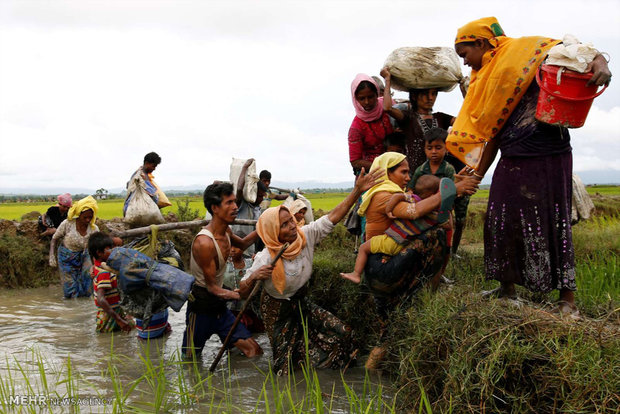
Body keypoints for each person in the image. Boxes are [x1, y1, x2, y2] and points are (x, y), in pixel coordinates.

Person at [449, 17, 611, 314]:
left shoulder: (528, 52)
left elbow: (578, 49)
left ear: (481, 43)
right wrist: (477, 172)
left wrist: (600, 64)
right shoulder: (487, 78)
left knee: (554, 221)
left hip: (549, 154)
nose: (466, 63)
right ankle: (507, 287)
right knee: (500, 220)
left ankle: (567, 300)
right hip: (513, 156)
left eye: (465, 54)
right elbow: (494, 133)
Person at [238, 167, 383, 375]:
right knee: (283, 369)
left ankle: (323, 374)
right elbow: (242, 291)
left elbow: (333, 217)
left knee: (343, 333)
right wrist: (254, 276)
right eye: (285, 224)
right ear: (273, 231)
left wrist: (357, 192)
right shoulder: (266, 257)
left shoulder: (306, 236)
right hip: (275, 310)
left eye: (291, 221)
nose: (292, 226)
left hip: (300, 300)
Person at [356, 152, 477, 368]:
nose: (407, 176)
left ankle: (368, 377)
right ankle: (425, 291)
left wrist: (449, 189)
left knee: (387, 332)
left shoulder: (395, 193)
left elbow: (430, 203)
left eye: (408, 172)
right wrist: (450, 191)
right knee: (434, 236)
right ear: (386, 172)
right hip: (383, 268)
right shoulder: (384, 195)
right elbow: (415, 211)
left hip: (380, 268)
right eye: (403, 171)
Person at [182, 182, 263, 360]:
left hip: (220, 307)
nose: (235, 207)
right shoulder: (205, 243)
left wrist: (263, 226)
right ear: (215, 208)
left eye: (235, 202)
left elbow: (242, 244)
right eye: (229, 203)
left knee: (254, 351)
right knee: (190, 360)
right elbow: (212, 288)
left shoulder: (226, 231)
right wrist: (240, 295)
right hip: (201, 308)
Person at [341, 174, 453, 283]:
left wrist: (389, 209)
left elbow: (396, 197)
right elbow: (448, 226)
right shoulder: (434, 213)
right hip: (406, 245)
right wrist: (446, 207)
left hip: (392, 240)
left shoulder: (414, 200)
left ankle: (356, 274)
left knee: (363, 248)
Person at [410, 128, 471, 255]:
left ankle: (451, 252)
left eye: (438, 147)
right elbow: (411, 189)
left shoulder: (449, 169)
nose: (433, 152)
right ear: (424, 149)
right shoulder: (420, 170)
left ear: (446, 148)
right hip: (425, 209)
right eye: (429, 148)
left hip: (444, 210)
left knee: (446, 234)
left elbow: (453, 191)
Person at [348, 73, 403, 175]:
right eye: (362, 98)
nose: (367, 102)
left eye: (371, 97)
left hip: (398, 164)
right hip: (373, 173)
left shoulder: (388, 106)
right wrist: (383, 166)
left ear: (377, 94)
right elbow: (355, 161)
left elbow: (403, 121)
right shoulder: (356, 127)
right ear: (355, 99)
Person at [49, 196, 100, 298]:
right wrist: (52, 256)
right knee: (70, 288)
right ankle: (72, 306)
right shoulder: (67, 224)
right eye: (85, 217)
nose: (87, 220)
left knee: (87, 278)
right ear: (79, 214)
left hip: (85, 255)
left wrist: (97, 265)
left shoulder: (94, 229)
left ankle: (84, 305)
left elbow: (97, 247)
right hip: (66, 257)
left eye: (90, 217)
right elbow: (54, 239)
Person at [88, 232, 133, 333]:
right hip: (109, 315)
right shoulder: (104, 272)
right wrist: (119, 319)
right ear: (99, 253)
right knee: (108, 340)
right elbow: (101, 299)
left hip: (113, 311)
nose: (114, 251)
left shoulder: (103, 265)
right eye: (109, 249)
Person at [232, 159, 267, 255]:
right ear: (253, 194)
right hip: (236, 248)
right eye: (260, 196)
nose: (261, 200)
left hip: (250, 251)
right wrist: (244, 168)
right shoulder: (242, 204)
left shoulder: (257, 209)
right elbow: (239, 189)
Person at [124, 152, 162, 216]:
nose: (154, 169)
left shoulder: (144, 175)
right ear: (147, 163)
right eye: (153, 166)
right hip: (135, 209)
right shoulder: (140, 175)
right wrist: (146, 182)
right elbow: (152, 194)